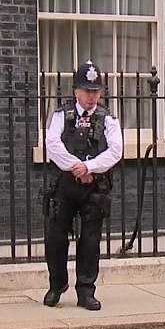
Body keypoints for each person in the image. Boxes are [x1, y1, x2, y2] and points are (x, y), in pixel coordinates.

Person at [42, 60, 123, 310]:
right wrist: (75, 166)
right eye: (87, 91)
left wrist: (90, 167)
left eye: (95, 91)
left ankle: (86, 290)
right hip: (65, 184)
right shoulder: (61, 115)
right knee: (55, 236)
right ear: (76, 90)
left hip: (94, 186)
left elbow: (116, 150)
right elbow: (52, 144)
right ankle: (57, 284)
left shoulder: (107, 118)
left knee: (90, 240)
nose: (91, 96)